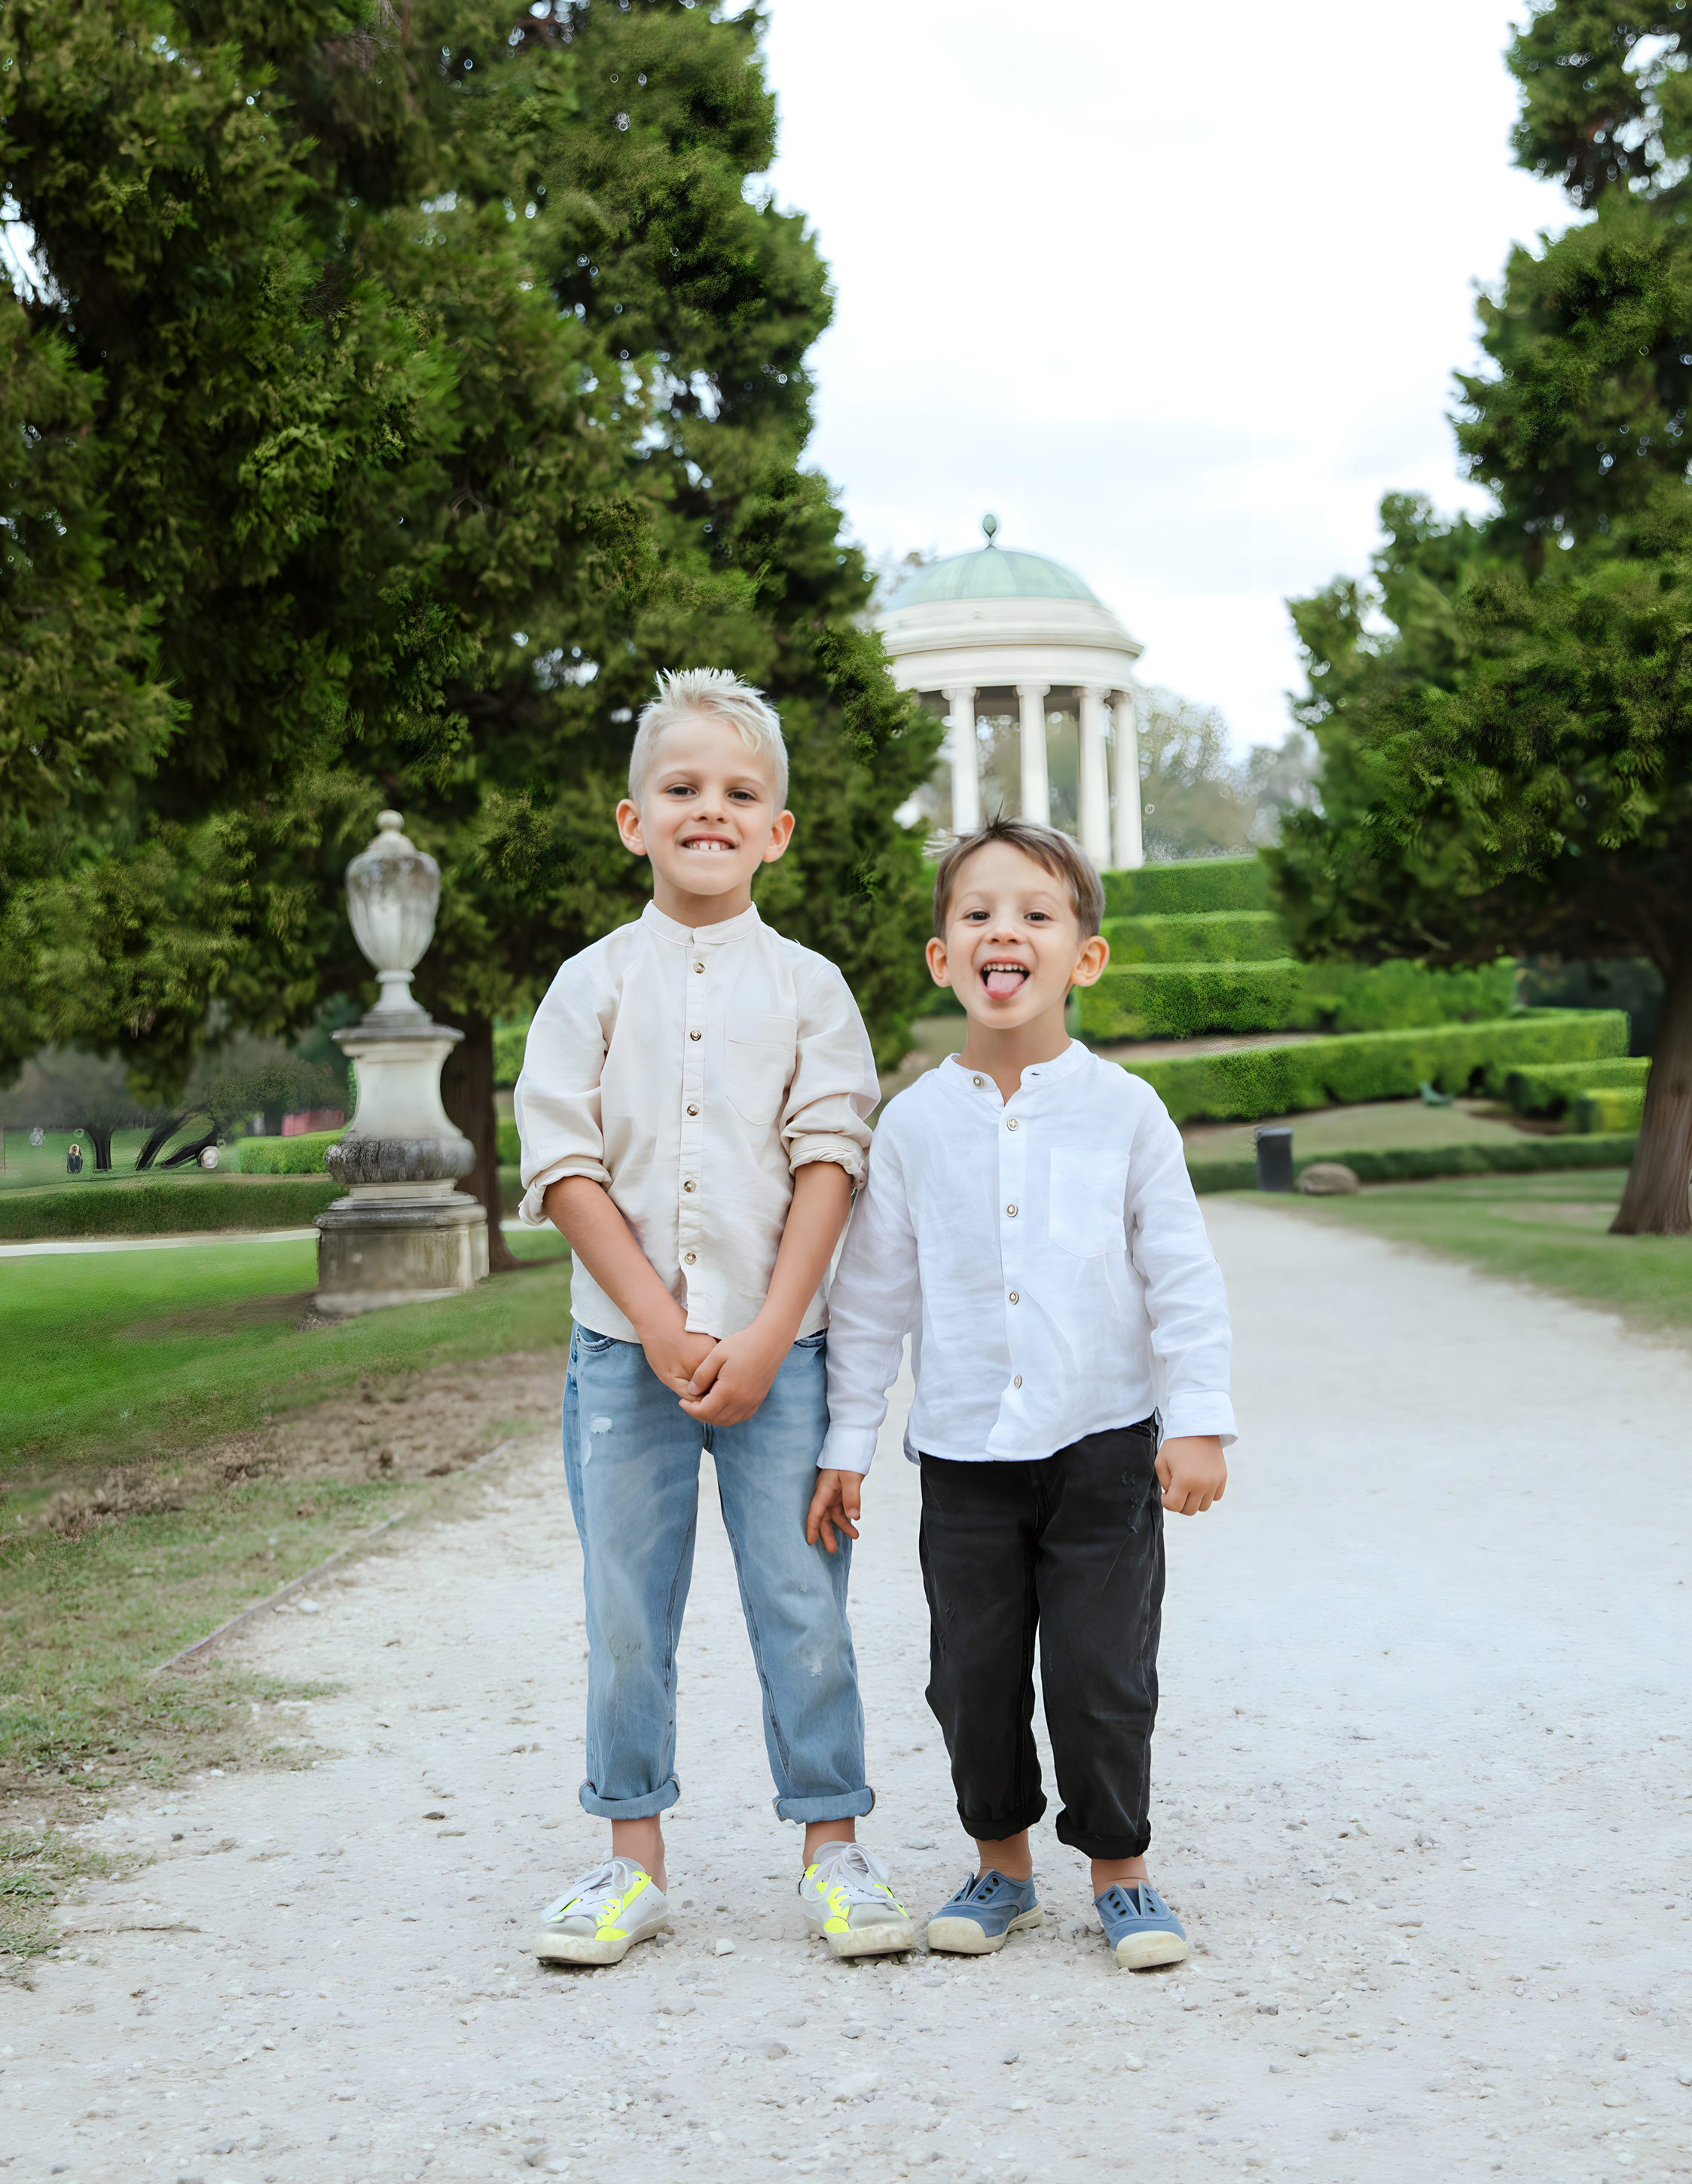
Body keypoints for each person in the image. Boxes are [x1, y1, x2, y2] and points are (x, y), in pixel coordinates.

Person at [515, 670, 912, 1967]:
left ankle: (833, 1848)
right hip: (622, 1355)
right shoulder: (589, 984)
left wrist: (767, 1332)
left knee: (803, 1603)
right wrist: (659, 1321)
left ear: (776, 831)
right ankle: (631, 1859)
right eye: (681, 787)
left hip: (780, 1356)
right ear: (634, 820)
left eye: (740, 793)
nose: (710, 810)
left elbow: (830, 1163)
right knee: (626, 1607)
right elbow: (563, 1164)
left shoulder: (810, 989)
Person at [808, 814, 1235, 1972]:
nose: (1006, 931)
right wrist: (847, 1442)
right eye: (979, 913)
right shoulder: (911, 1125)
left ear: (1083, 956)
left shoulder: (1127, 1110)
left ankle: (1121, 1873)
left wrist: (1199, 1418)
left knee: (1102, 1673)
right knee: (972, 1678)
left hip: (1104, 1446)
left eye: (1036, 914)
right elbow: (872, 1300)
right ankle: (1002, 1866)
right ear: (942, 956)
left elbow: (1181, 1273)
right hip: (963, 1459)